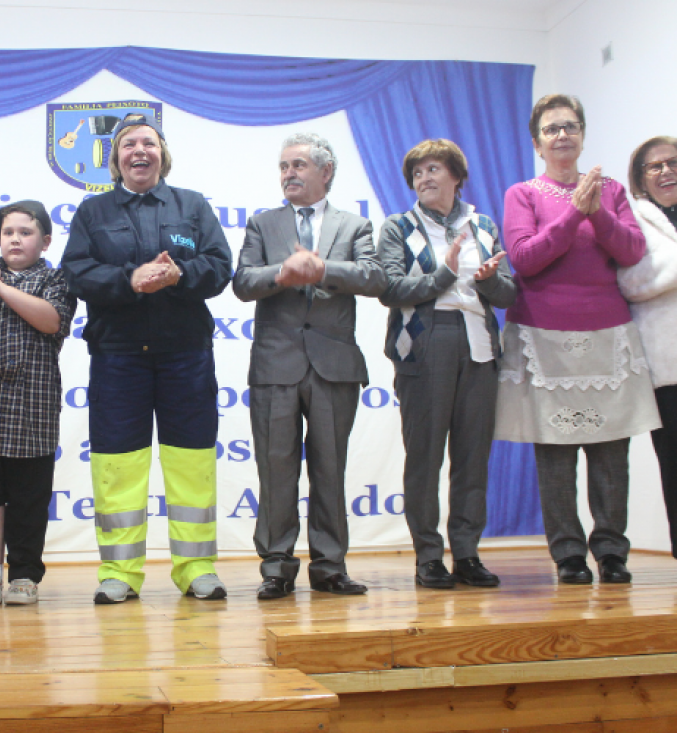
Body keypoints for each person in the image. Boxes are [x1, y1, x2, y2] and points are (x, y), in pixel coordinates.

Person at [61, 113, 232, 604]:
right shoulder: (93, 212)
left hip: (186, 355)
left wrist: (181, 275)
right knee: (118, 466)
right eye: (128, 144)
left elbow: (220, 266)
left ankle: (197, 568)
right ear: (116, 160)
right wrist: (129, 280)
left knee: (192, 462)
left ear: (162, 155)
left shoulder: (192, 206)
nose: (139, 151)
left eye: (149, 143)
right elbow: (75, 272)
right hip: (118, 358)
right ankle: (119, 573)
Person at [496, 95, 660, 584]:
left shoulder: (610, 190)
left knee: (611, 453)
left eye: (570, 126)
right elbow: (525, 258)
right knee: (555, 453)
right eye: (551, 129)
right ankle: (568, 554)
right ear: (537, 143)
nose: (562, 135)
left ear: (583, 135)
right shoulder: (522, 194)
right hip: (542, 336)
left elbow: (631, 250)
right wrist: (574, 213)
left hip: (608, 334)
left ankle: (611, 552)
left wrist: (597, 213)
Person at [233, 133, 386, 600]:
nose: (289, 174)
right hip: (275, 365)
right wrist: (282, 274)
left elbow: (374, 276)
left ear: (326, 171)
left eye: (298, 165)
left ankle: (330, 567)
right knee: (275, 471)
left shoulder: (354, 225)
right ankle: (276, 568)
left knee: (330, 470)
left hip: (333, 366)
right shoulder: (262, 224)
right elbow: (243, 281)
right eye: (283, 167)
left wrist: (324, 271)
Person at [378, 139, 517, 589]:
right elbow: (390, 289)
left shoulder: (483, 225)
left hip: (479, 344)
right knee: (425, 456)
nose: (424, 179)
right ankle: (428, 556)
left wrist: (489, 280)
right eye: (417, 173)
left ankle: (468, 553)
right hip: (425, 342)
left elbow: (508, 294)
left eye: (433, 169)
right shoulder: (399, 227)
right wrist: (445, 274)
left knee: (473, 457)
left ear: (456, 176)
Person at [0, 201, 76, 606]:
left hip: (31, 394)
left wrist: (2, 288)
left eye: (25, 232)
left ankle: (24, 574)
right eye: (8, 233)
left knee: (29, 490)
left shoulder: (55, 279)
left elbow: (52, 320)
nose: (15, 240)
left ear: (45, 241)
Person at [618, 135, 677, 559]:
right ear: (640, 178)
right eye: (654, 166)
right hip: (667, 367)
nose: (666, 171)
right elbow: (630, 282)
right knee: (674, 465)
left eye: (672, 163)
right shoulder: (633, 219)